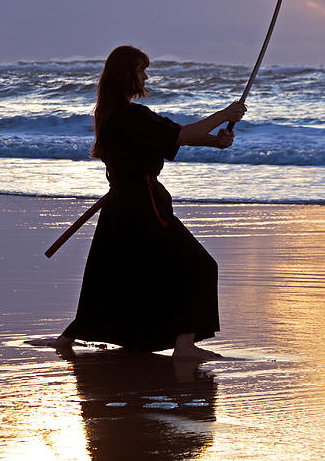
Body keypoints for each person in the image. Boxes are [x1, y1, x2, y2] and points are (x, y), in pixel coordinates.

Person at [55, 45, 246, 359]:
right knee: (198, 265)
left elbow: (172, 134)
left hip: (121, 204)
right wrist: (225, 115)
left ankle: (68, 338)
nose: (145, 76)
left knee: (117, 273)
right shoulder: (129, 116)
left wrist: (215, 141)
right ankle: (184, 346)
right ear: (127, 74)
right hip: (143, 204)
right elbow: (180, 135)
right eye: (141, 70)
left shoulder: (114, 113)